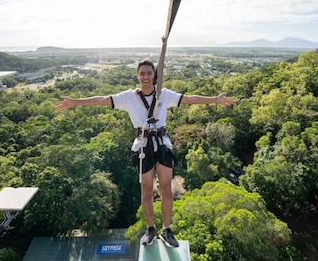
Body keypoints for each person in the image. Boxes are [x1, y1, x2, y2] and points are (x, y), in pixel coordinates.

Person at [56, 59, 234, 247]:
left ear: (154, 76)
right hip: (143, 145)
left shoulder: (164, 95)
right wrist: (75, 102)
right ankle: (150, 229)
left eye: (149, 73)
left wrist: (215, 99)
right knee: (147, 190)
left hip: (162, 144)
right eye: (142, 73)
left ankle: (166, 229)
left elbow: (189, 99)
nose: (146, 77)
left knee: (166, 189)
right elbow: (102, 100)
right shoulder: (129, 97)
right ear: (137, 76)